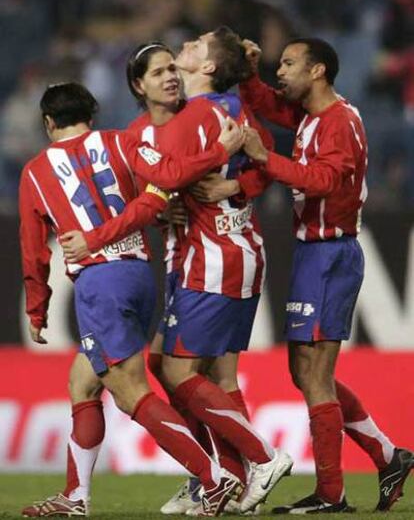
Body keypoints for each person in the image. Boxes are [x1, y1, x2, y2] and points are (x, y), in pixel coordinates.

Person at [61, 29, 293, 516]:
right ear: (138, 86)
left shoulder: (209, 110)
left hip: (216, 255)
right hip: (185, 255)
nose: (171, 73)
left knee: (182, 370)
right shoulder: (136, 134)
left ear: (198, 71)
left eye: (175, 65)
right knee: (186, 369)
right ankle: (223, 476)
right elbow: (150, 189)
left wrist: (232, 187)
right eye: (160, 70)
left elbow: (262, 154)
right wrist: (163, 207)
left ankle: (255, 462)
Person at [19, 82, 246, 518]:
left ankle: (213, 480)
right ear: (94, 112)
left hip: (100, 282)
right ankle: (76, 495)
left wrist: (37, 307)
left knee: (129, 393)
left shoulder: (34, 172)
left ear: (48, 123)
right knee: (82, 383)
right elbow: (170, 177)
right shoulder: (122, 142)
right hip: (141, 274)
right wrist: (218, 151)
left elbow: (34, 251)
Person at [238, 36, 414, 514]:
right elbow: (268, 105)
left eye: (290, 64)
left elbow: (324, 180)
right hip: (312, 253)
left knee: (316, 375)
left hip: (331, 254)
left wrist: (264, 158)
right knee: (305, 371)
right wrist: (250, 74)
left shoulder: (339, 122)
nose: (282, 71)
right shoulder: (311, 116)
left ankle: (331, 493)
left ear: (318, 71)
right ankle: (387, 455)